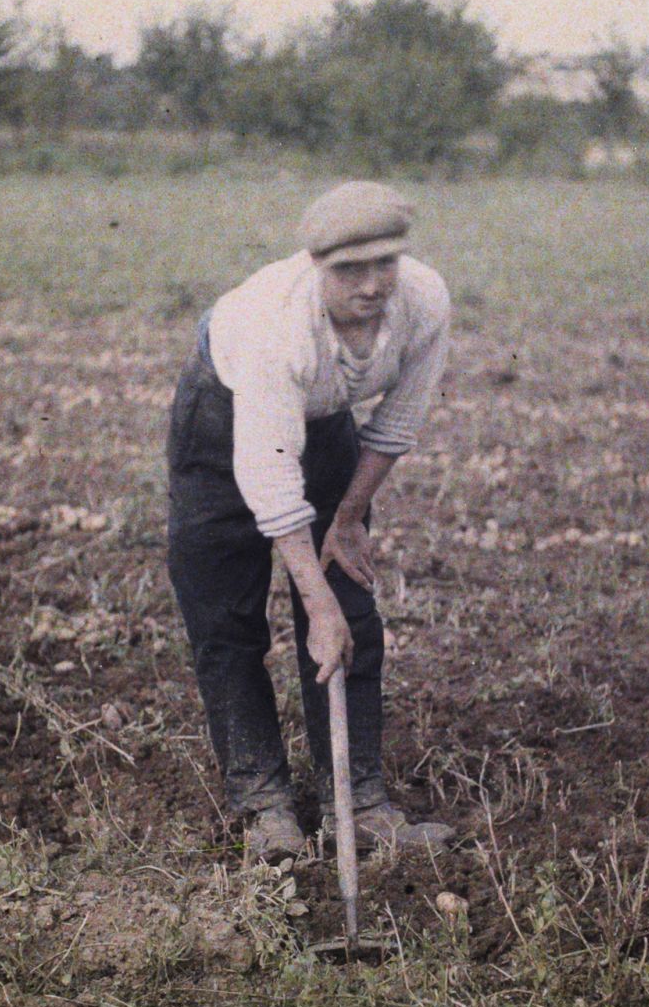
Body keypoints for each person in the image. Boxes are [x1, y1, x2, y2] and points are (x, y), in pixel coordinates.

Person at [167, 180, 457, 864]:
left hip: (328, 425)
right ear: (318, 265)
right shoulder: (278, 325)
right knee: (227, 619)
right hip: (221, 419)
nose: (371, 284)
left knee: (351, 613)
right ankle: (265, 803)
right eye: (349, 270)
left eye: (384, 263)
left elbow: (399, 420)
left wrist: (350, 517)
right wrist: (311, 600)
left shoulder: (425, 300)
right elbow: (269, 481)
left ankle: (358, 802)